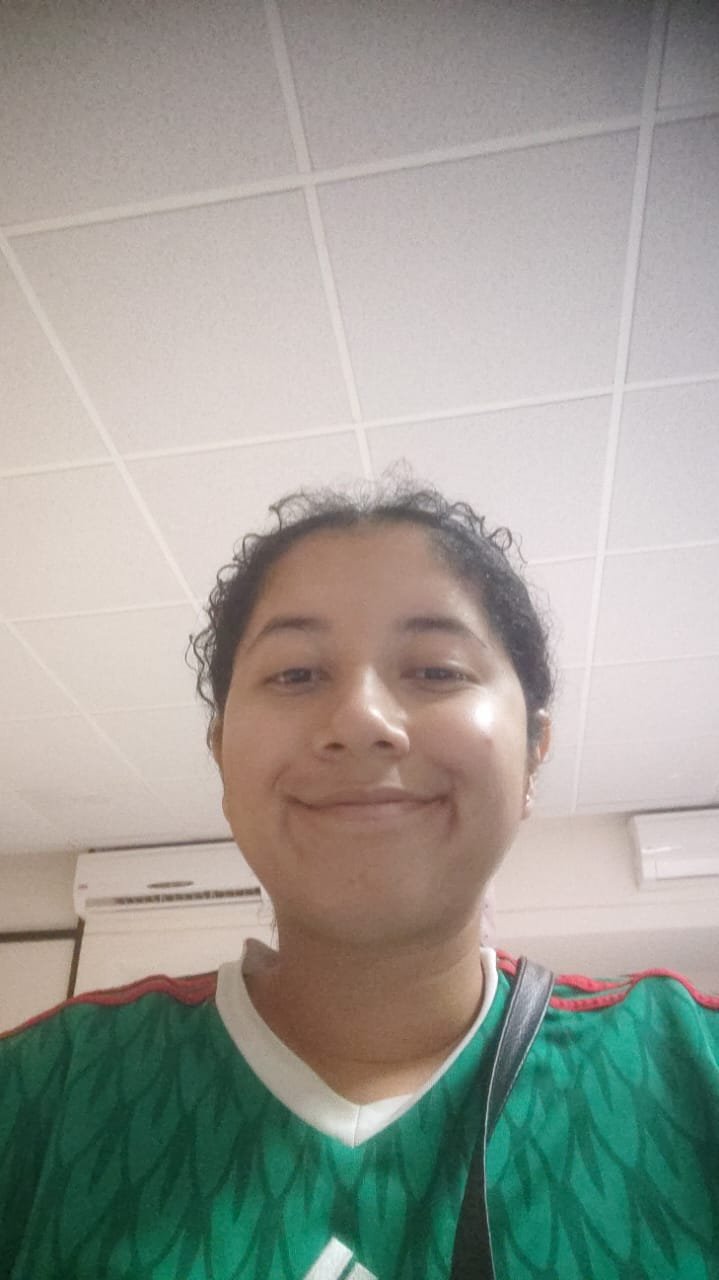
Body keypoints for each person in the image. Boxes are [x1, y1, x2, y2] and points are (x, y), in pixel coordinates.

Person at [1, 480, 717, 1280]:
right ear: (221, 754)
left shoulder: (690, 1069)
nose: (360, 720)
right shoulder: (45, 1092)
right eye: (296, 675)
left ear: (532, 753)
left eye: (437, 670)